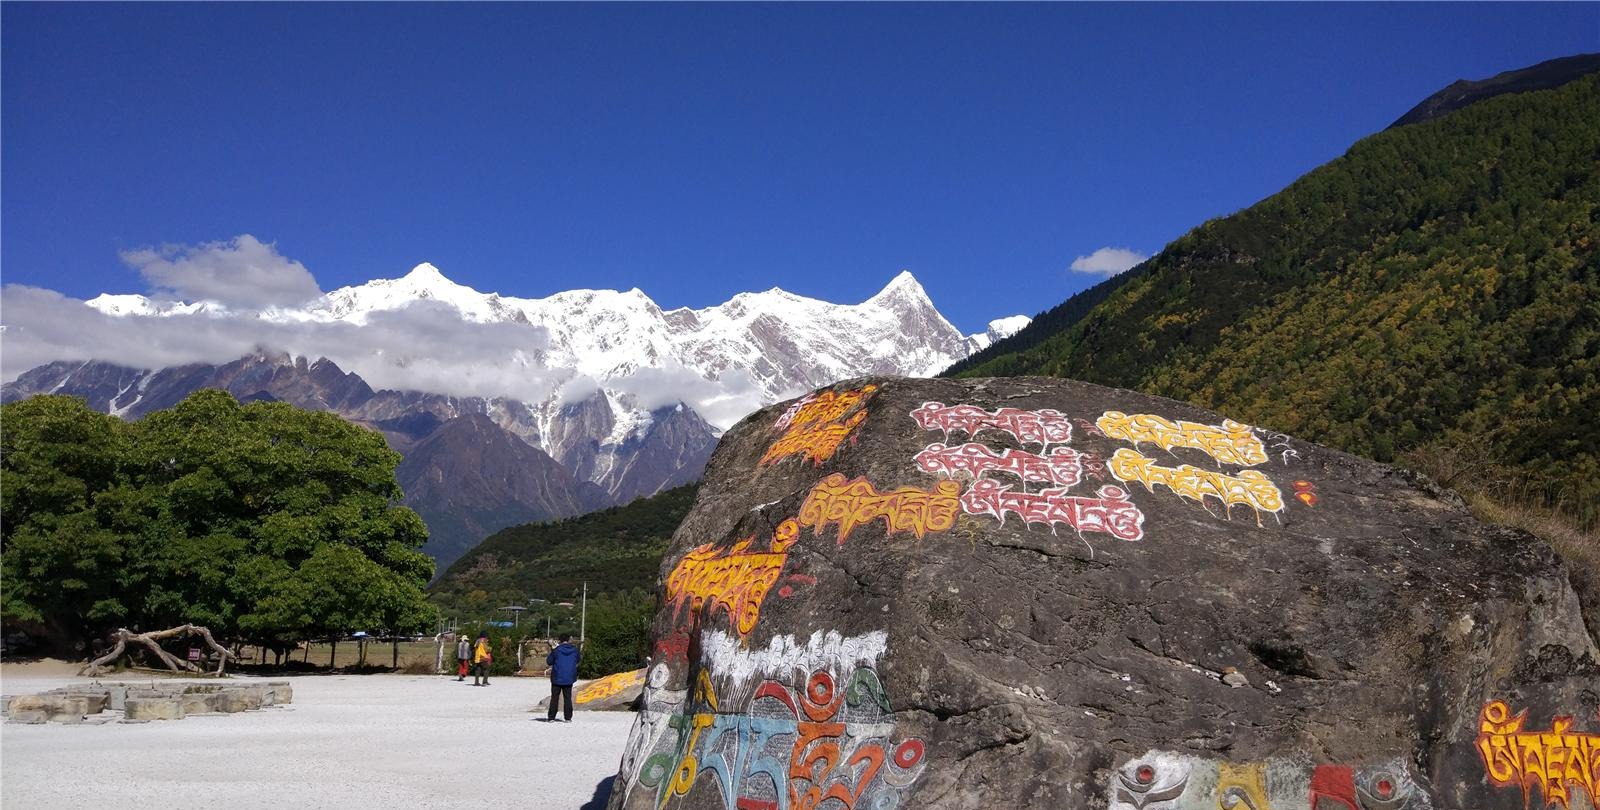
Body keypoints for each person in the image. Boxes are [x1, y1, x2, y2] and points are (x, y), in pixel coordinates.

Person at [545, 634, 580, 721]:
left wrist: (552, 650)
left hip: (557, 676)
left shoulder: (557, 650)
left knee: (555, 697)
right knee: (568, 698)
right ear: (568, 640)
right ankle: (568, 717)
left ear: (560, 640)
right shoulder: (575, 650)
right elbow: (578, 659)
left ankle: (551, 717)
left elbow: (549, 662)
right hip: (569, 677)